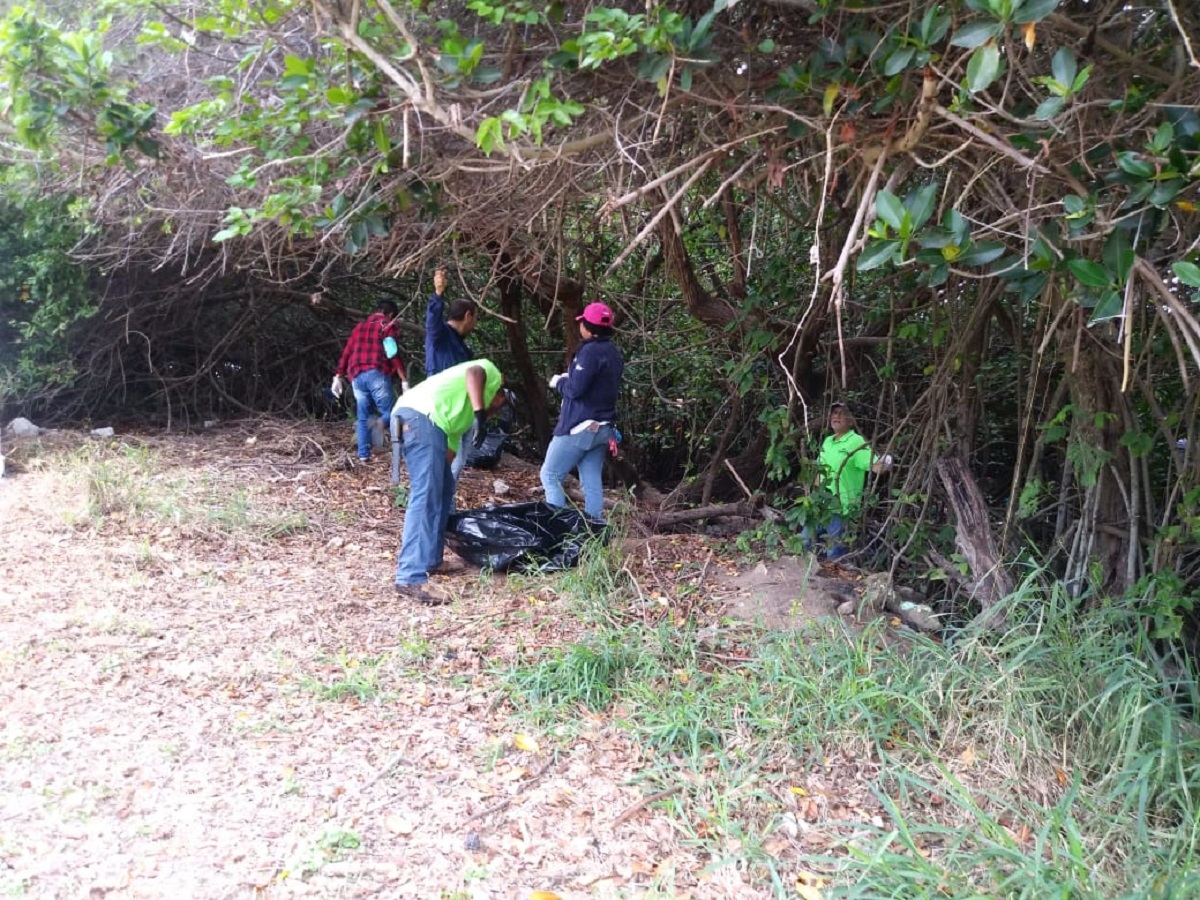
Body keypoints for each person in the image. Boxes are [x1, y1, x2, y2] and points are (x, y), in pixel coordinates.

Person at [391, 359, 506, 604]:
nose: (496, 409)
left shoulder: (458, 418)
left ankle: (432, 560)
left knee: (442, 491)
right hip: (420, 416)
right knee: (425, 494)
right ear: (499, 394)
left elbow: (447, 458)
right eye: (498, 404)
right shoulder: (491, 372)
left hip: (425, 423)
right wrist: (479, 414)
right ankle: (409, 576)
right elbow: (474, 372)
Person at [541, 302, 624, 521]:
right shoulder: (613, 353)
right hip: (604, 428)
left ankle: (555, 531)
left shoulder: (589, 352)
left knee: (550, 476)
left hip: (580, 426)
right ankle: (595, 533)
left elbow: (575, 390)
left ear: (588, 327)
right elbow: (597, 384)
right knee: (591, 481)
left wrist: (558, 382)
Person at [803, 401, 892, 560]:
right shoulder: (828, 441)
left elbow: (875, 466)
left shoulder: (856, 442)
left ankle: (834, 584)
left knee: (835, 555)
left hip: (842, 508)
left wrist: (887, 462)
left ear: (851, 420)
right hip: (821, 504)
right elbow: (820, 471)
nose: (836, 416)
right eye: (834, 412)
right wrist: (812, 496)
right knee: (805, 543)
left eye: (841, 413)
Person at [332, 300, 409, 462]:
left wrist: (338, 376)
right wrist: (403, 380)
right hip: (376, 373)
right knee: (394, 413)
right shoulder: (387, 325)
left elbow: (347, 352)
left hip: (356, 376)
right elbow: (392, 353)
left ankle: (363, 455)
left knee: (362, 416)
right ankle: (382, 427)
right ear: (391, 315)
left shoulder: (359, 328)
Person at [425, 267, 480, 485]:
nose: (474, 324)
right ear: (468, 316)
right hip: (443, 406)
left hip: (461, 408)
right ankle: (439, 497)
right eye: (474, 318)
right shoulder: (441, 335)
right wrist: (438, 293)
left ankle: (447, 499)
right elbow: (432, 322)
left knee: (459, 458)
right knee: (444, 456)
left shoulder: (463, 348)